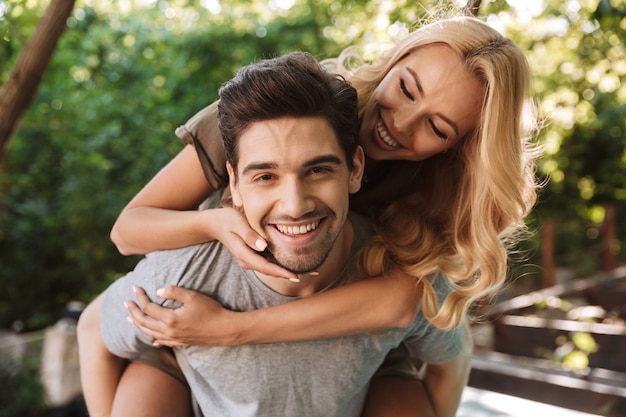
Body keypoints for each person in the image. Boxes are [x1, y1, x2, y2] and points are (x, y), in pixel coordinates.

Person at [79, 12, 537, 417]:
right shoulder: (274, 111)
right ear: (396, 60)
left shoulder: (442, 193)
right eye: (405, 89)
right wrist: (213, 223)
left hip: (355, 343)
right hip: (215, 308)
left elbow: (397, 305)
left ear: (461, 146)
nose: (400, 122)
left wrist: (230, 330)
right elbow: (128, 231)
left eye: (437, 127)